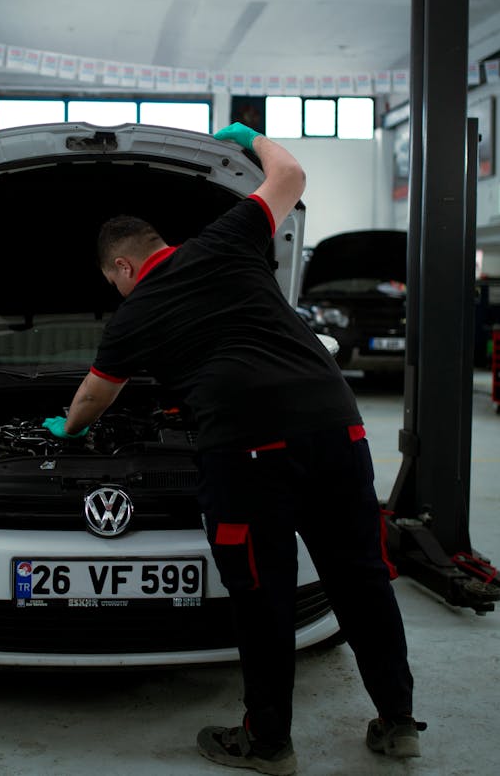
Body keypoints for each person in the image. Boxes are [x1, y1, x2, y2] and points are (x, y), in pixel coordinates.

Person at [42, 122, 424, 775]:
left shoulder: (134, 313)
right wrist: (253, 137)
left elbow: (92, 399)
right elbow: (292, 177)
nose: (118, 291)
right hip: (338, 427)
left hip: (249, 451)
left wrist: (67, 431)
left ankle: (269, 743)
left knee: (262, 595)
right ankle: (398, 724)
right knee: (362, 579)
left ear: (125, 266)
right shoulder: (228, 237)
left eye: (114, 280)